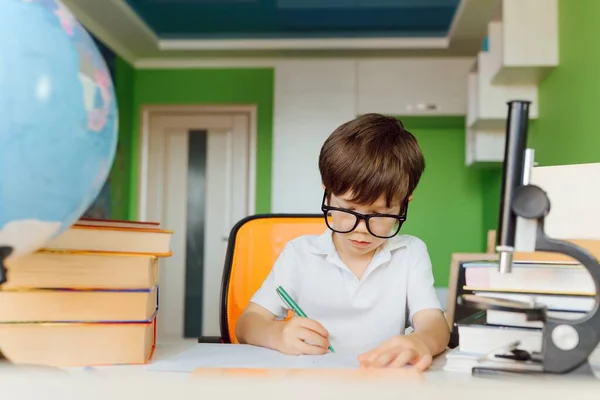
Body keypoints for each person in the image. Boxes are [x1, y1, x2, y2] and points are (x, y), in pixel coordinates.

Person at [235, 113, 449, 371]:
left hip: (381, 384)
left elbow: (434, 323)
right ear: (328, 191)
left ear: (405, 202)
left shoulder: (410, 252)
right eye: (348, 209)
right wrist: (276, 334)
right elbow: (247, 324)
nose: (361, 230)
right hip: (312, 384)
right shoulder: (299, 254)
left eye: (380, 214)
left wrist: (421, 341)